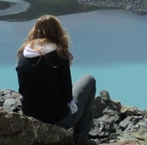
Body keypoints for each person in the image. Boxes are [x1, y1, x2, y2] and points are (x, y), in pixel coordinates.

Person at [16, 15, 96, 145]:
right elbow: (67, 97)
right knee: (89, 80)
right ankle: (81, 137)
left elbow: (24, 88)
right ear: (58, 32)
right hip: (58, 119)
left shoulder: (23, 54)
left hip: (30, 116)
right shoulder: (59, 54)